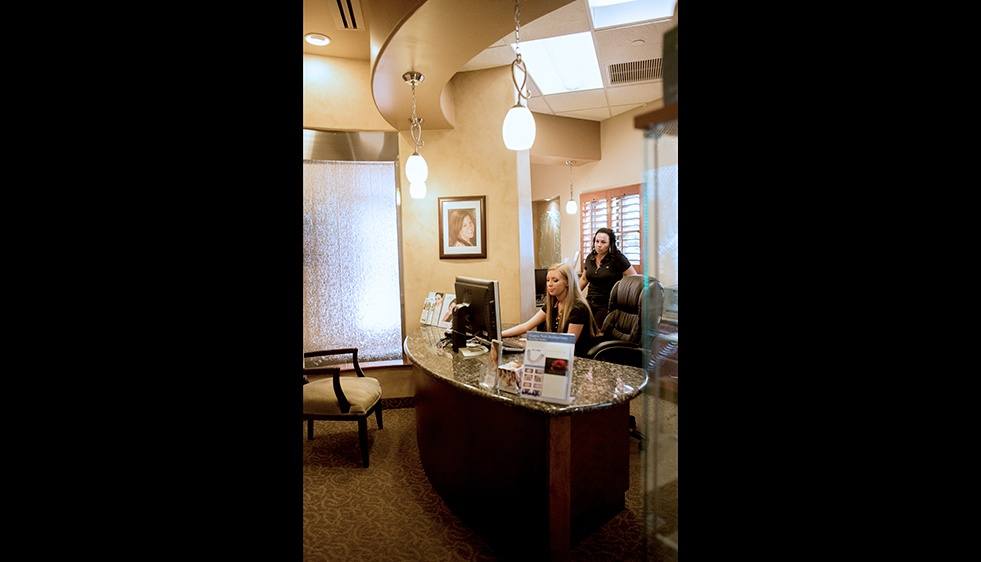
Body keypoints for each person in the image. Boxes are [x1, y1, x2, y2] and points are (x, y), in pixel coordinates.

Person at [502, 262, 599, 357]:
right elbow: (526, 326)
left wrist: (534, 344)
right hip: (556, 356)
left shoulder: (578, 308)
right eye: (548, 280)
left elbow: (567, 345)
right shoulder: (553, 304)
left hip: (576, 360)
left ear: (568, 283)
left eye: (555, 280)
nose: (550, 284)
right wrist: (499, 334)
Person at [578, 227, 638, 328]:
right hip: (590, 301)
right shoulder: (590, 257)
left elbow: (634, 279)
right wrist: (573, 296)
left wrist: (625, 300)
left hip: (608, 304)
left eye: (603, 242)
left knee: (595, 330)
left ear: (610, 244)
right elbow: (584, 279)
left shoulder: (618, 258)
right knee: (576, 323)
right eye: (597, 241)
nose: (599, 245)